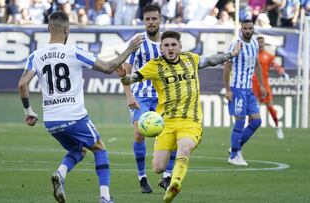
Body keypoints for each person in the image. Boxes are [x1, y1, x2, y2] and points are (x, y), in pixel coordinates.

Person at [17, 11, 142, 203]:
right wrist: (129, 50)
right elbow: (108, 67)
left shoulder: (36, 55)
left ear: (49, 28)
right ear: (67, 30)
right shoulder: (74, 51)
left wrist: (28, 111)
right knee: (100, 149)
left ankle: (60, 173)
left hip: (51, 121)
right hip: (74, 116)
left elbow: (22, 84)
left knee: (80, 150)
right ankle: (105, 197)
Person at [119, 30, 241, 203]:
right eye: (166, 45)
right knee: (158, 167)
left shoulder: (191, 59)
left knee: (184, 148)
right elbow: (131, 79)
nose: (170, 48)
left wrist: (231, 54)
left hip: (190, 121)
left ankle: (174, 183)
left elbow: (212, 60)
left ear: (180, 46)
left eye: (173, 45)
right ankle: (168, 176)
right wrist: (124, 77)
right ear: (161, 48)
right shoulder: (154, 65)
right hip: (166, 122)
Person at [121, 4, 176, 193]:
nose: (151, 22)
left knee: (173, 135)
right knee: (139, 134)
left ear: (160, 19)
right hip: (141, 96)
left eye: (154, 18)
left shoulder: (168, 43)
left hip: (163, 97)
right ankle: (142, 177)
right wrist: (129, 96)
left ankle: (167, 176)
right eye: (147, 19)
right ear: (143, 21)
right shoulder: (137, 42)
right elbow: (126, 72)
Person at [223, 19, 266, 166]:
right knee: (240, 121)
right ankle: (233, 156)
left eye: (250, 28)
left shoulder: (254, 43)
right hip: (237, 88)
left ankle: (235, 148)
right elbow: (227, 67)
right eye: (245, 28)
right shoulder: (236, 44)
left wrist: (261, 85)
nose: (248, 31)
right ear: (241, 29)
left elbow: (257, 65)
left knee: (256, 121)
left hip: (248, 89)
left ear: (253, 29)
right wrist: (228, 89)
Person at [252, 36, 289, 139]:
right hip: (254, 85)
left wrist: (282, 72)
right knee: (252, 109)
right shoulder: (252, 55)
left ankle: (278, 128)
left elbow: (276, 65)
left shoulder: (268, 56)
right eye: (258, 42)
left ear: (264, 43)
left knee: (270, 107)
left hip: (264, 84)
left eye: (262, 42)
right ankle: (250, 131)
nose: (260, 44)